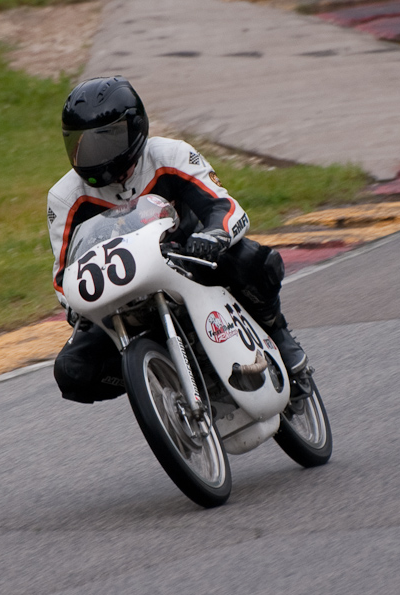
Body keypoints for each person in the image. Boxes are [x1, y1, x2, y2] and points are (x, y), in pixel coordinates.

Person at [47, 76, 311, 404]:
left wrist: (212, 235)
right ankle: (154, 375)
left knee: (255, 260)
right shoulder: (64, 197)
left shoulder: (170, 154)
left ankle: (277, 330)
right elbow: (63, 274)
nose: (91, 154)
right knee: (72, 371)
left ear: (135, 127)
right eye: (80, 143)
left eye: (104, 141)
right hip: (121, 299)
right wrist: (74, 301)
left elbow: (223, 206)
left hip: (190, 261)